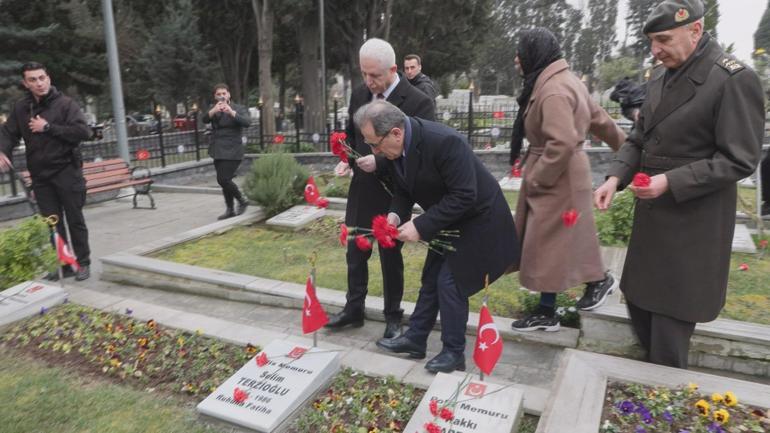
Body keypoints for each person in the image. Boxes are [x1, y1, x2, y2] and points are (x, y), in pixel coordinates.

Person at [594, 0, 764, 369]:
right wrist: (614, 177)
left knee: (669, 337)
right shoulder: (659, 76)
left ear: (696, 30)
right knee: (640, 310)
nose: (656, 50)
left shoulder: (732, 79)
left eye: (664, 40)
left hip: (692, 227)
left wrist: (669, 182)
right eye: (652, 41)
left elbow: (739, 159)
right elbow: (639, 138)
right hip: (653, 226)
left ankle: (663, 408)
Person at [359, 100, 519, 373]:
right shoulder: (399, 151)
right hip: (451, 219)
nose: (374, 152)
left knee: (451, 282)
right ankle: (416, 338)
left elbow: (465, 195)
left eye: (375, 144)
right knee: (431, 275)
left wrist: (421, 225)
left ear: (396, 133)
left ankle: (453, 352)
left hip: (482, 220)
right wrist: (395, 217)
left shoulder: (444, 142)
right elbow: (403, 191)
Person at [507, 28, 626, 332]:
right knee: (552, 244)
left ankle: (598, 280)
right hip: (565, 173)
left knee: (548, 241)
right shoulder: (566, 81)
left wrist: (537, 178)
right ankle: (548, 310)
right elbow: (601, 121)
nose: (517, 58)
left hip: (557, 174)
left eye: (520, 51)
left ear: (535, 53)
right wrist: (627, 151)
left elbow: (559, 142)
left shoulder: (553, 89)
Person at [325, 38, 435, 339]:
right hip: (362, 186)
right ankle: (353, 308)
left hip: (394, 190)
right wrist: (347, 157)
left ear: (393, 69)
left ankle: (392, 314)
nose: (369, 82)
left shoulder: (417, 101)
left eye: (375, 75)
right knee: (355, 252)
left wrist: (380, 161)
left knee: (390, 256)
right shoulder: (361, 93)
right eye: (364, 74)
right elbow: (352, 131)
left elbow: (419, 150)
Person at [0, 62, 93, 280]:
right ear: (26, 83)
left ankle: (83, 262)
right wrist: (2, 151)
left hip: (67, 171)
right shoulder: (22, 108)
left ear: (48, 78)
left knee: (74, 219)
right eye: (33, 80)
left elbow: (83, 132)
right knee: (52, 222)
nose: (39, 83)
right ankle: (65, 263)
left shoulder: (65, 105)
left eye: (42, 78)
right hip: (41, 176)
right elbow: (8, 133)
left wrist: (48, 128)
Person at [201, 83, 251, 220]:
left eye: (224, 93)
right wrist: (213, 111)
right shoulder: (214, 109)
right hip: (217, 149)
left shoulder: (239, 108)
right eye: (219, 94)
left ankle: (242, 200)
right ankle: (230, 210)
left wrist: (231, 112)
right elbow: (204, 119)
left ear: (229, 94)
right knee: (225, 181)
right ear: (215, 96)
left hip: (233, 149)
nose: (222, 96)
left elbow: (247, 122)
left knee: (223, 179)